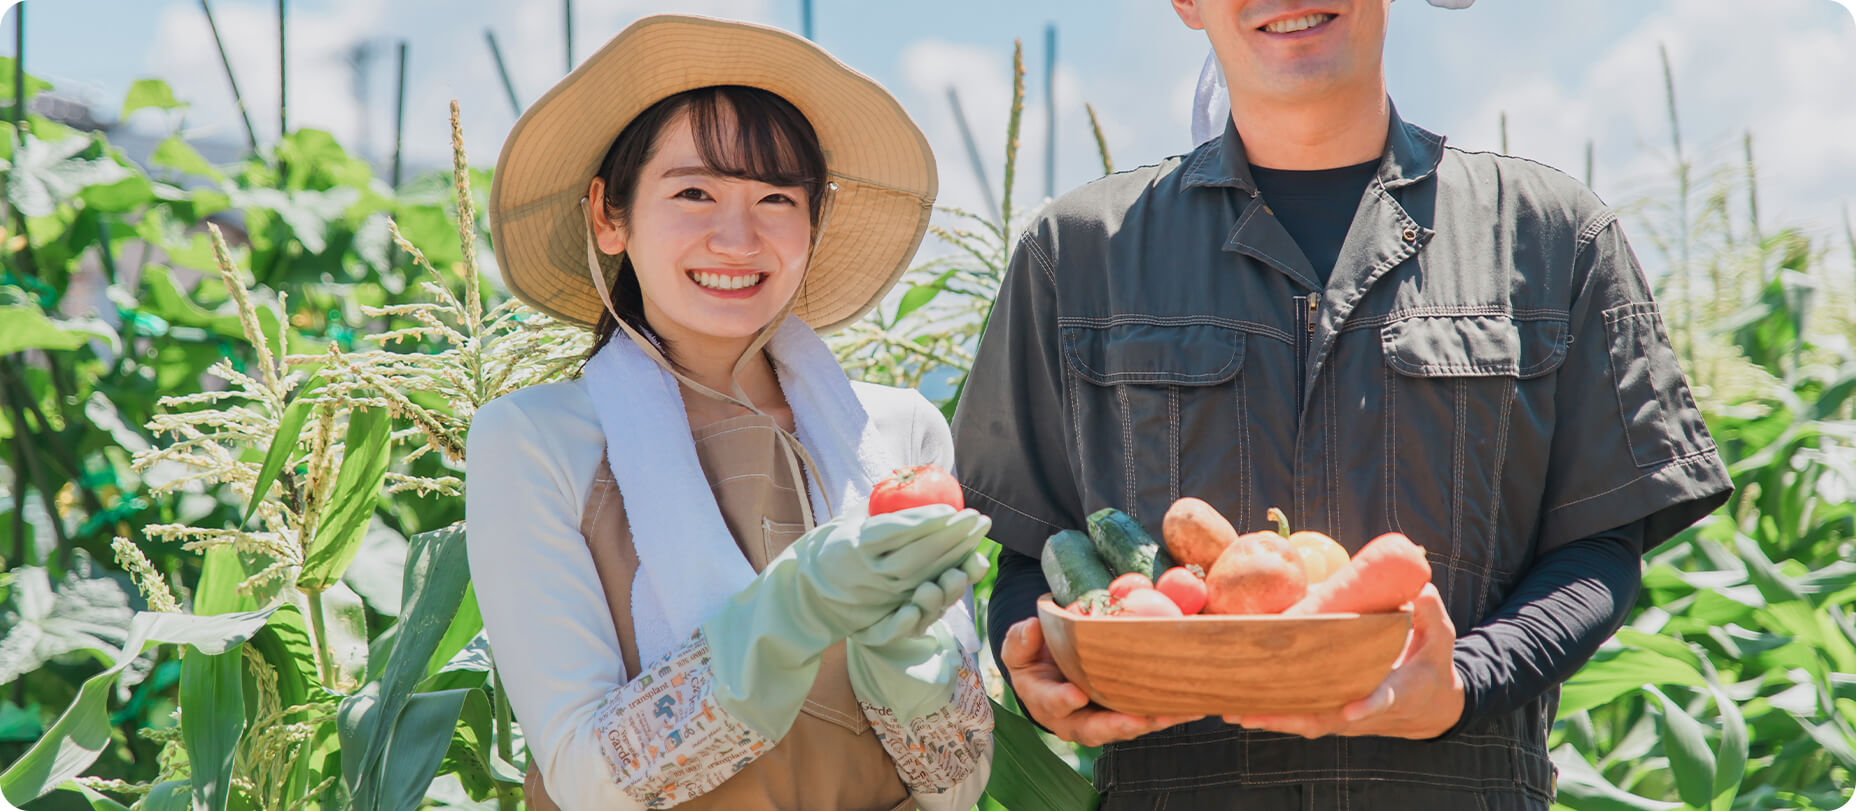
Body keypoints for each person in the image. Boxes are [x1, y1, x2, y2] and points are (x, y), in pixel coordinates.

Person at [952, 0, 1733, 808]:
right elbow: (1029, 548)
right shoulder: (1075, 256)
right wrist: (1037, 665)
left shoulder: (1552, 237)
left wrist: (1464, 681)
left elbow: (1600, 543)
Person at [466, 15, 993, 811]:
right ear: (608, 215)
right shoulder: (535, 442)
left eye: (777, 197)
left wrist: (906, 664)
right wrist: (788, 613)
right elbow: (586, 782)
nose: (738, 238)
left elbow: (960, 783)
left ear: (814, 221)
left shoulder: (899, 436)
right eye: (694, 192)